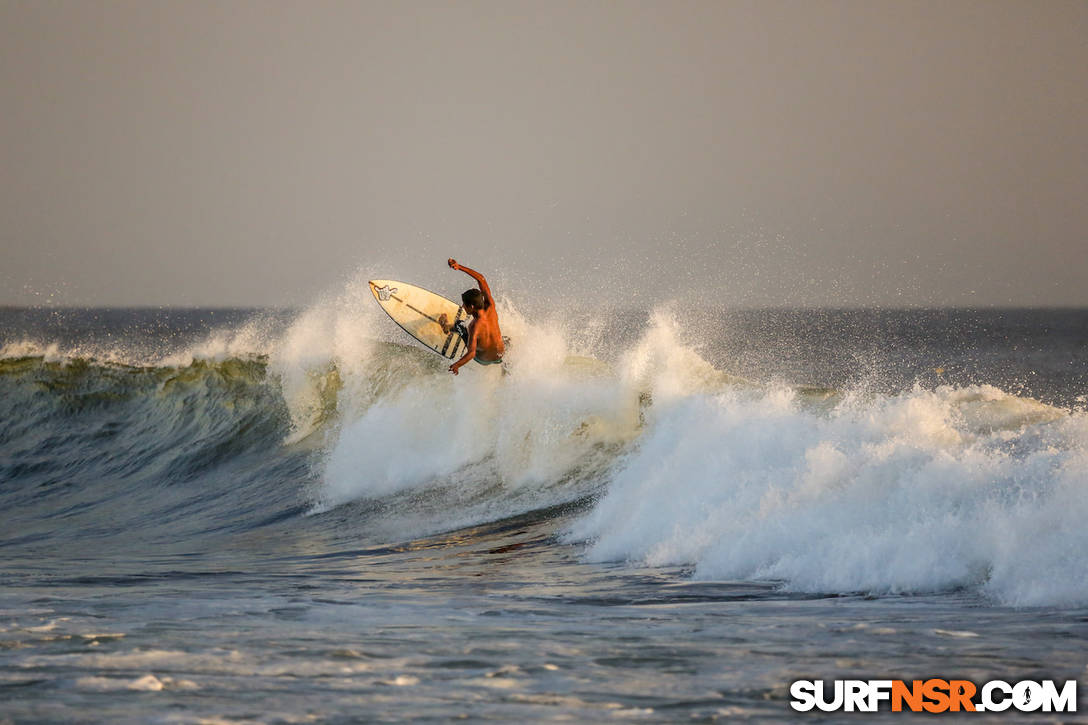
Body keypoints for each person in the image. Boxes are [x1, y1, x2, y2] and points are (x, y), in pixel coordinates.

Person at [437, 258, 505, 375]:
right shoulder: (491, 307)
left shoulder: (474, 326)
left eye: (464, 304)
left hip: (482, 360)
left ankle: (446, 327)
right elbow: (481, 279)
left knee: (460, 325)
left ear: (472, 306)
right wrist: (460, 267)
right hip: (500, 356)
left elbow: (472, 353)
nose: (463, 306)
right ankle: (505, 369)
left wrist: (457, 365)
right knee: (507, 341)